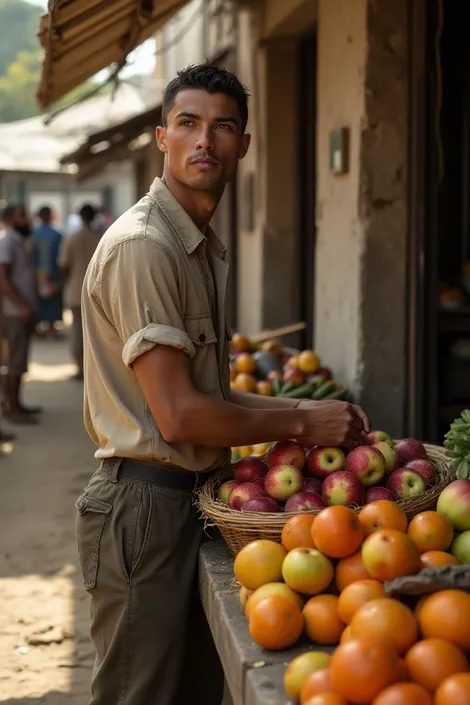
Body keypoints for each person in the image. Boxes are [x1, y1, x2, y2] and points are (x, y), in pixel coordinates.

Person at [77, 63, 370, 705]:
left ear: (244, 144)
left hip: (188, 500)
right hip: (143, 507)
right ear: (162, 137)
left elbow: (211, 394)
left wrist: (308, 410)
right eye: (187, 124)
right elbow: (181, 416)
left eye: (222, 126)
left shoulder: (196, 245)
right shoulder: (145, 247)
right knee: (140, 694)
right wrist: (301, 422)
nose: (204, 141)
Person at [0, 204, 41, 424]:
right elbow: (3, 280)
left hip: (24, 310)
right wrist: (22, 306)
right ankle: (12, 409)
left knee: (20, 360)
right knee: (14, 361)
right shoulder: (7, 241)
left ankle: (18, 404)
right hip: (15, 312)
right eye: (22, 215)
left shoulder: (20, 241)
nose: (27, 219)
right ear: (10, 220)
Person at [58, 204, 101, 380]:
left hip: (76, 291)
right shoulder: (101, 238)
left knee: (78, 331)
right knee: (96, 332)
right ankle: (95, 370)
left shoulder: (72, 238)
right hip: (97, 292)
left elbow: (63, 266)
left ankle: (81, 368)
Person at [33, 206, 63, 337]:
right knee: (53, 301)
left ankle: (38, 327)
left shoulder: (33, 233)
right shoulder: (57, 235)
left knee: (38, 300)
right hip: (53, 273)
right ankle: (51, 328)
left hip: (36, 272)